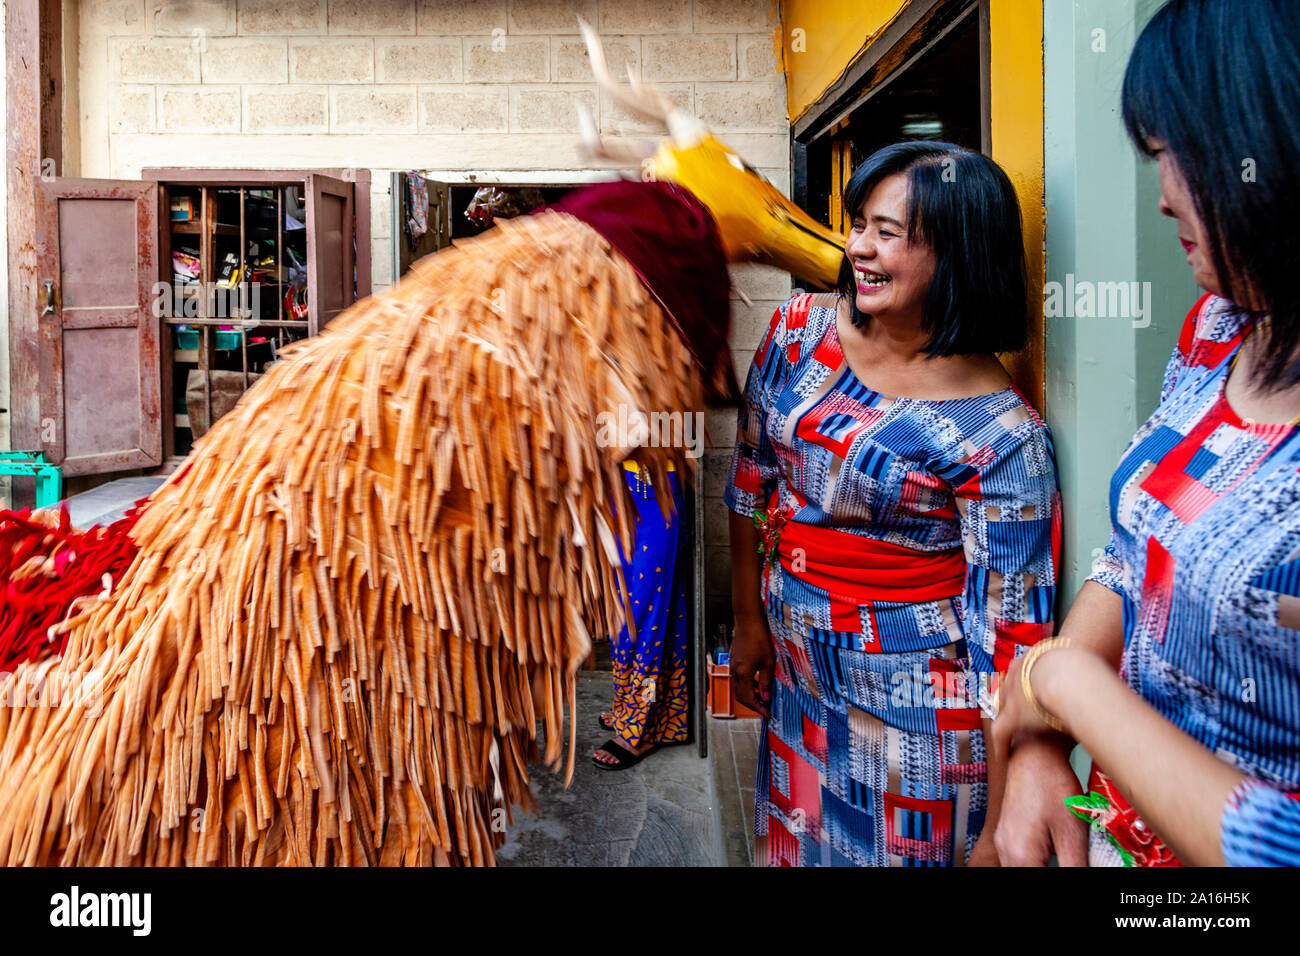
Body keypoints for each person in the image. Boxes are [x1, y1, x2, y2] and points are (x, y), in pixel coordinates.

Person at [992, 0, 1300, 867]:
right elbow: (1135, 557)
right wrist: (1044, 744)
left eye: (1177, 155)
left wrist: (1058, 680)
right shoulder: (1218, 328)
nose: (1162, 198)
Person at [724, 140, 1061, 866]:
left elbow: (1011, 644)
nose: (857, 251)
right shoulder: (797, 332)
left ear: (961, 253)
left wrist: (1002, 827)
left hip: (920, 730)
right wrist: (748, 621)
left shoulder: (1001, 435)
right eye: (858, 226)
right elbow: (751, 480)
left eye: (887, 233)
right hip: (799, 684)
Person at [593, 461, 690, 769]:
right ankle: (627, 704)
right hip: (621, 485)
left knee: (648, 615)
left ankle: (642, 726)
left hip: (658, 485)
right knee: (623, 606)